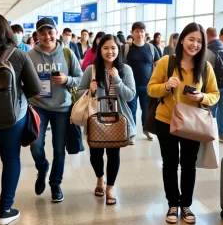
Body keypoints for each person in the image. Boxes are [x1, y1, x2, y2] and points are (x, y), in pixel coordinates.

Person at [147, 22, 219, 224]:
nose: (194, 44)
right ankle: (172, 204)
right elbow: (151, 89)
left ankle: (186, 204)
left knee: (189, 165)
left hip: (192, 124)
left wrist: (202, 97)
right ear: (182, 40)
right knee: (170, 164)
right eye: (191, 39)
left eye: (199, 41)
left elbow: (215, 95)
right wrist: (166, 86)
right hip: (166, 121)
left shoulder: (205, 67)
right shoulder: (167, 62)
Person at [0, 14, 42, 225]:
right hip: (13, 118)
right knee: (11, 159)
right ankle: (5, 210)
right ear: (9, 32)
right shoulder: (19, 55)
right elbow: (36, 89)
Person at [27, 17, 82, 203]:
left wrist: (67, 80)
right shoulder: (30, 56)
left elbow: (80, 79)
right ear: (37, 35)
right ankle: (42, 168)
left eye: (50, 32)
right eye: (42, 33)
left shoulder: (67, 53)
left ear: (56, 33)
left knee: (59, 149)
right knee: (35, 145)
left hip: (62, 108)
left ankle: (55, 183)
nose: (47, 36)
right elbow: (21, 81)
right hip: (38, 107)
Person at [76, 34, 135, 205]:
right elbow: (79, 93)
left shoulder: (125, 70)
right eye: (106, 48)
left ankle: (110, 187)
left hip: (116, 118)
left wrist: (116, 78)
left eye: (113, 48)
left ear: (119, 50)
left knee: (113, 153)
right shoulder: (91, 70)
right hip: (95, 117)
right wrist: (90, 90)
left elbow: (130, 96)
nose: (110, 51)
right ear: (100, 50)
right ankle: (100, 178)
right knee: (95, 153)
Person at [124, 22, 160, 144]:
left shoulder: (151, 48)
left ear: (145, 33)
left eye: (142, 31)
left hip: (147, 85)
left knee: (147, 110)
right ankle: (132, 132)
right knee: (131, 110)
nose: (139, 34)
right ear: (132, 33)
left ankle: (146, 129)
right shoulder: (127, 48)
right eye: (137, 31)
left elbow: (158, 65)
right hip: (131, 86)